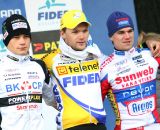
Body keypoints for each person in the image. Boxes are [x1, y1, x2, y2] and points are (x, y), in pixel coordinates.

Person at [42, 10, 107, 130]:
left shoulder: (96, 55)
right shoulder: (50, 59)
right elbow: (48, 96)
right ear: (63, 33)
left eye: (84, 31)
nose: (81, 36)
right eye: (75, 32)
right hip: (70, 126)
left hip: (98, 125)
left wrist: (149, 41)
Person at [100, 11, 160, 130]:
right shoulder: (105, 68)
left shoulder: (150, 54)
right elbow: (93, 104)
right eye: (121, 32)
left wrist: (152, 41)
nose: (127, 37)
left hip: (155, 125)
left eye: (130, 31)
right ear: (111, 36)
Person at [0, 14, 55, 130]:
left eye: (26, 36)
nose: (22, 42)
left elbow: (54, 100)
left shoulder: (39, 65)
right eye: (16, 37)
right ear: (6, 39)